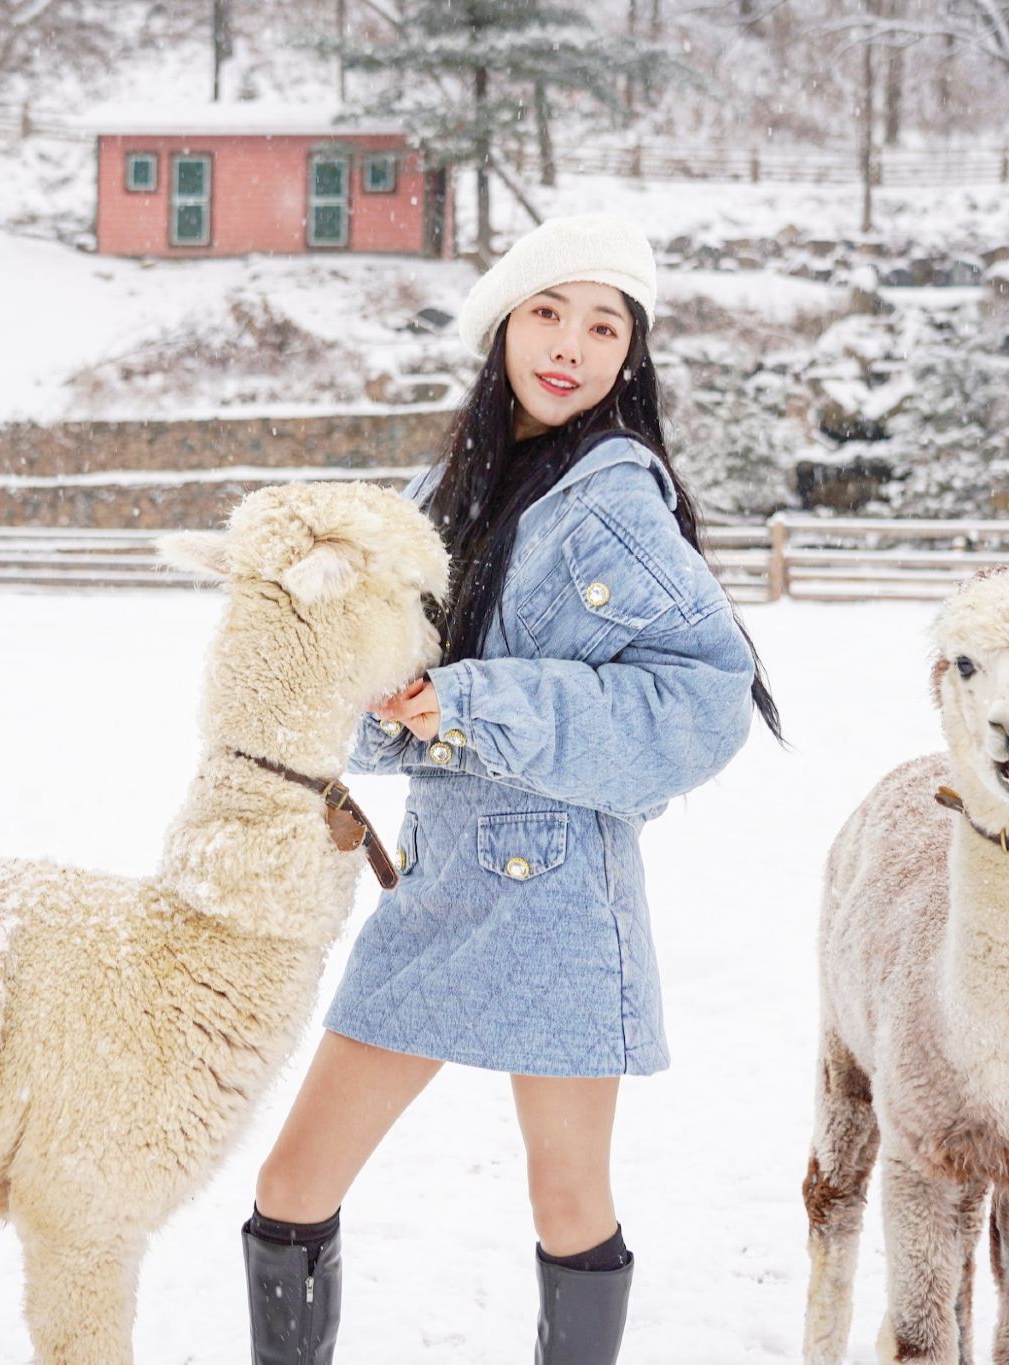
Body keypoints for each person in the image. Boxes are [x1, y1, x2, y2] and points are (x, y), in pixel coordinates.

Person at [240, 214, 783, 1365]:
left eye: (603, 326)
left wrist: (477, 704)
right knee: (290, 1185)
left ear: (628, 353)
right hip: (437, 880)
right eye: (546, 313)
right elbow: (377, 687)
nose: (569, 346)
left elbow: (702, 699)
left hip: (561, 894)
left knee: (566, 1200)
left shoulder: (613, 499)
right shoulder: (443, 488)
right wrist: (380, 698)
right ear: (500, 325)